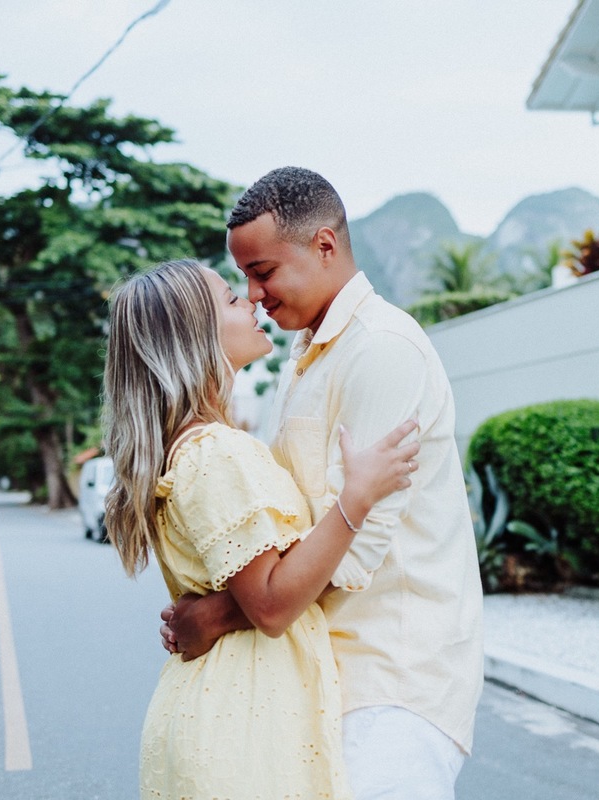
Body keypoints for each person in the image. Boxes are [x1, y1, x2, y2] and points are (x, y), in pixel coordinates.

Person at [160, 167, 485, 799]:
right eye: (246, 280)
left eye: (263, 272)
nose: (253, 295)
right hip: (320, 674)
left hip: (392, 679)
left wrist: (216, 615)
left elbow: (358, 546)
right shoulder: (305, 355)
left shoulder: (382, 349)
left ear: (325, 246)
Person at [102, 258, 421, 799]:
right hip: (241, 720)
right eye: (230, 299)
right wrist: (357, 497)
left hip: (220, 709)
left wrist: (208, 615)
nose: (249, 301)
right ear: (194, 337)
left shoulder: (193, 447)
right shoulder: (217, 452)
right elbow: (271, 604)